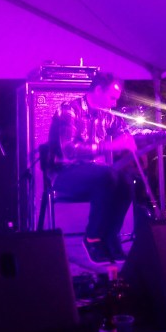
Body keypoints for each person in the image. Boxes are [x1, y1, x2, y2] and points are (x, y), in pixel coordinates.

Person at [48, 72, 136, 264]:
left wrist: (165, 134)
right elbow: (70, 150)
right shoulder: (69, 110)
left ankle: (110, 237)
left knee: (127, 183)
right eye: (112, 98)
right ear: (98, 90)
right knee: (107, 176)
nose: (114, 103)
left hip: (95, 173)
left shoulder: (106, 115)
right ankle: (93, 238)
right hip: (65, 173)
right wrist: (110, 146)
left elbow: (130, 132)